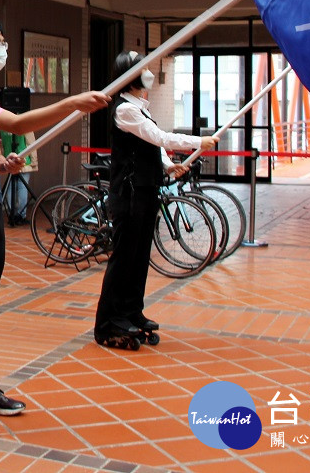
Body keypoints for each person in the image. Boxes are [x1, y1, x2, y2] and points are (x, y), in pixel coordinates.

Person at [0, 12, 109, 435]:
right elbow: (16, 124)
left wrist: (2, 162)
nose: (1, 49)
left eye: (2, 41)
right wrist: (71, 102)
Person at [93, 51, 218, 349]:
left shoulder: (140, 107)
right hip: (130, 193)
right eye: (143, 68)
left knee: (139, 256)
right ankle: (109, 322)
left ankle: (132, 311)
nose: (148, 72)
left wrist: (167, 165)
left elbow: (150, 143)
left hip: (147, 190)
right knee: (124, 257)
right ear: (130, 75)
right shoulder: (125, 110)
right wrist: (197, 142)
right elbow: (159, 136)